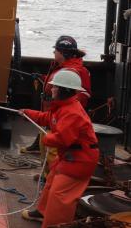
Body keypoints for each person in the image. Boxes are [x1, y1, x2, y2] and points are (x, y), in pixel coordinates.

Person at [20, 69, 99, 227]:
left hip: (80, 161)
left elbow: (63, 139)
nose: (52, 88)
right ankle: (42, 213)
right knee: (51, 182)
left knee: (60, 195)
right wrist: (27, 113)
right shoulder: (62, 107)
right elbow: (46, 118)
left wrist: (47, 138)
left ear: (64, 90)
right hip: (70, 157)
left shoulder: (72, 113)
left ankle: (55, 224)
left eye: (55, 87)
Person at [22, 35, 91, 155]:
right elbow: (58, 81)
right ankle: (45, 172)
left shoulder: (76, 71)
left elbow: (83, 95)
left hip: (59, 118)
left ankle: (50, 172)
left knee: (53, 152)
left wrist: (62, 111)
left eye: (56, 50)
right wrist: (42, 77)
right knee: (45, 148)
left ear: (63, 53)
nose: (54, 51)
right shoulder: (62, 67)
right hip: (51, 114)